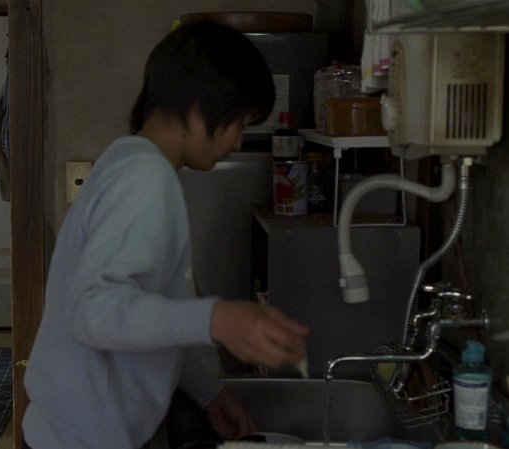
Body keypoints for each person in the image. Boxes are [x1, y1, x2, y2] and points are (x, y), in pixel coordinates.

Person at [21, 20, 310, 449]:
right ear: (199, 107)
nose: (237, 142)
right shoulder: (145, 177)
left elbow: (152, 309)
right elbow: (93, 309)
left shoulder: (126, 161)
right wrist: (218, 318)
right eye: (239, 123)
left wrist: (209, 390)